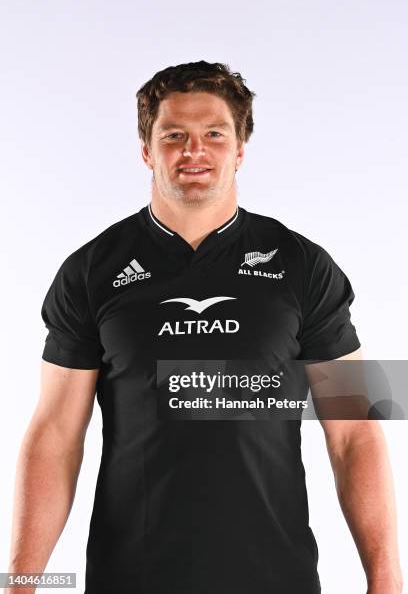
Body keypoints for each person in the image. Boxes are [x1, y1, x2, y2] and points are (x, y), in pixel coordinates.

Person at [5, 61, 403, 594]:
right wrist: (22, 584)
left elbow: (358, 430)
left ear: (240, 150)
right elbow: (54, 436)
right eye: (174, 135)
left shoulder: (307, 265)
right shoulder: (91, 270)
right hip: (132, 579)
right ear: (147, 150)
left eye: (215, 134)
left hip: (276, 579)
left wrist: (386, 581)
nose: (195, 150)